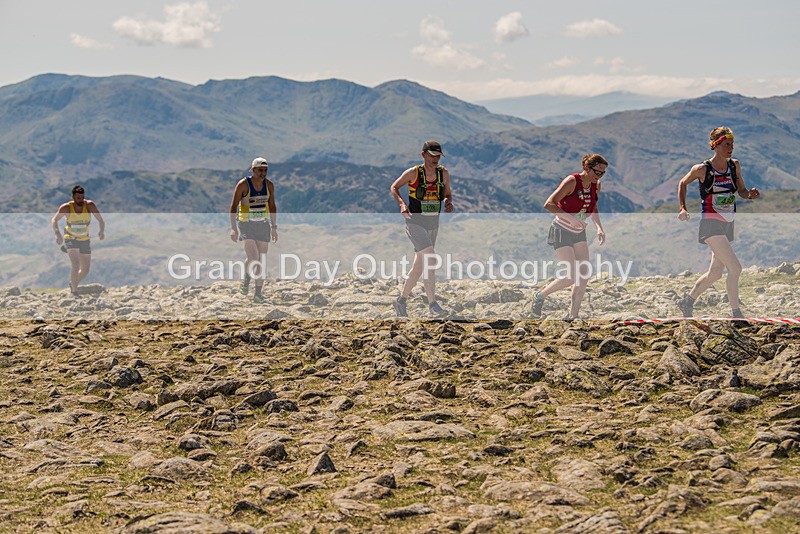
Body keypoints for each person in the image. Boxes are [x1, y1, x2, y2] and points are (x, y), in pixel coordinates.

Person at [676, 126, 760, 319]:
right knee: (736, 268)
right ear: (715, 145)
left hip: (727, 222)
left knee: (715, 273)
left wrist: (750, 195)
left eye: (732, 144)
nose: (730, 148)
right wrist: (683, 207)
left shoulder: (734, 166)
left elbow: (742, 191)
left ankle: (687, 301)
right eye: (726, 144)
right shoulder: (702, 169)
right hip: (710, 224)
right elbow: (682, 183)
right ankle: (736, 314)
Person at [532, 154, 608, 320]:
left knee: (583, 274)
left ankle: (572, 316)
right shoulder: (572, 181)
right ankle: (540, 296)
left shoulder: (596, 185)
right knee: (570, 276)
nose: (600, 176)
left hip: (578, 231)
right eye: (597, 172)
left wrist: (599, 228)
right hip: (561, 230)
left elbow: (593, 207)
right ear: (587, 168)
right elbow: (549, 204)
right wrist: (572, 219)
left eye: (603, 173)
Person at [389, 140, 454, 317]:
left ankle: (401, 300)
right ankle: (432, 304)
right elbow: (394, 187)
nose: (435, 159)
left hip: (433, 224)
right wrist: (402, 204)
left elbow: (447, 194)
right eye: (432, 155)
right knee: (431, 259)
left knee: (419, 266)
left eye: (438, 156)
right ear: (423, 155)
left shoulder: (443, 174)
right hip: (415, 222)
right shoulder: (413, 173)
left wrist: (448, 202)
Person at [230, 157, 278, 303]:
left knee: (261, 260)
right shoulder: (243, 185)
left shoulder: (269, 185)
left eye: (265, 170)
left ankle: (258, 294)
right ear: (253, 170)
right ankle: (246, 279)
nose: (263, 173)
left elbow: (272, 206)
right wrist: (233, 229)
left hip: (263, 225)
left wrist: (274, 227)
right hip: (246, 224)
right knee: (253, 258)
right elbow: (233, 207)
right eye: (260, 170)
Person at [51, 185, 105, 294]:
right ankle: (74, 292)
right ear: (73, 197)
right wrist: (58, 234)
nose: (80, 200)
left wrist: (101, 231)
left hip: (84, 239)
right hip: (71, 238)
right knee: (76, 265)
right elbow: (54, 220)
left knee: (85, 270)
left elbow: (100, 220)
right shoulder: (66, 207)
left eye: (82, 197)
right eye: (78, 198)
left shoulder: (89, 205)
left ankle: (73, 283)